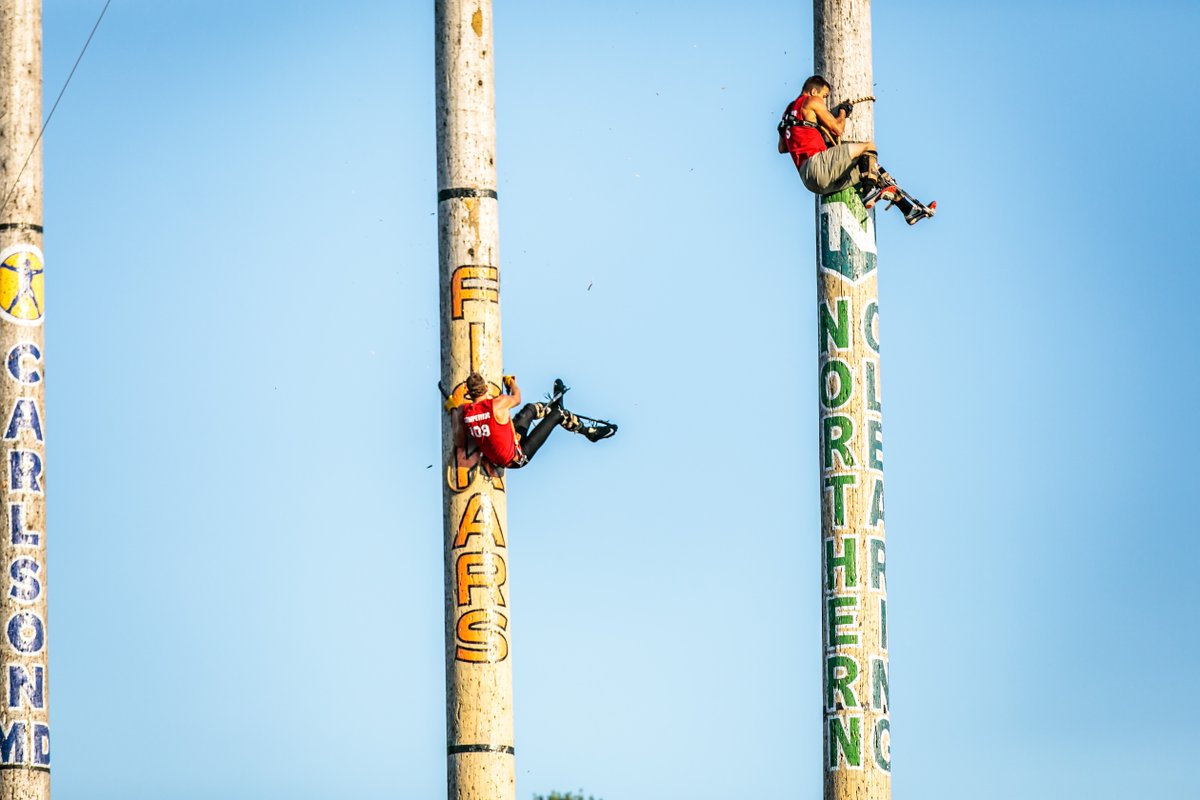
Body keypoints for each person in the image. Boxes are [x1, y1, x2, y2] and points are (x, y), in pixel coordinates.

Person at [454, 373, 615, 469]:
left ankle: (555, 406)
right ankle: (589, 432)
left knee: (530, 409)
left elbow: (460, 441)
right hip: (517, 457)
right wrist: (512, 383)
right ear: (486, 388)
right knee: (558, 414)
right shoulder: (498, 403)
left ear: (468, 393)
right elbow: (517, 397)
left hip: (510, 444)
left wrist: (456, 415)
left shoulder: (463, 412)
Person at [778, 74, 884, 197]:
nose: (824, 102)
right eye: (824, 96)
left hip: (810, 182)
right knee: (869, 147)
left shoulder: (788, 111)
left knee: (871, 168)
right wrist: (843, 111)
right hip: (817, 165)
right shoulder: (812, 100)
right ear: (813, 91)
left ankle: (906, 207)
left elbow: (782, 148)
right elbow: (837, 130)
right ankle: (869, 193)